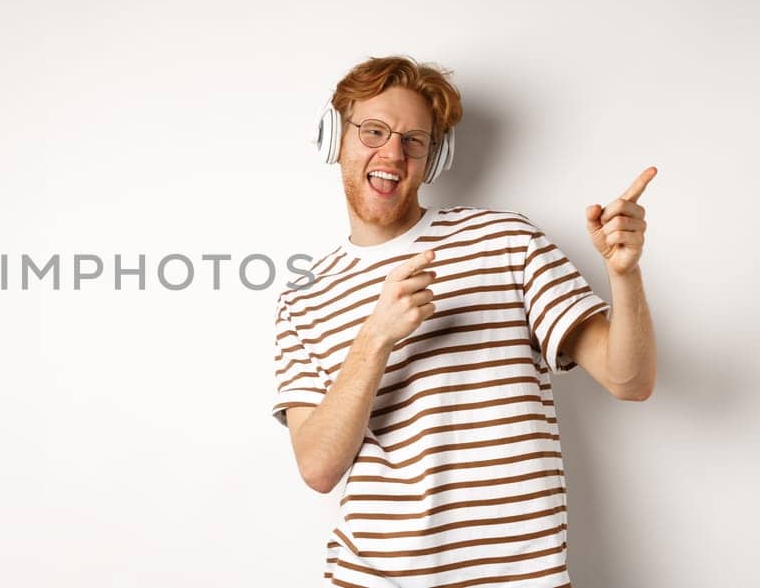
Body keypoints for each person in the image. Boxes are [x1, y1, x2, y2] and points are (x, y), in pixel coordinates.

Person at [271, 55, 657, 587]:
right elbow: (317, 467)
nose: (393, 154)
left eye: (414, 140)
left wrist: (625, 276)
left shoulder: (506, 239)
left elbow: (629, 380)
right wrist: (376, 336)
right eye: (374, 131)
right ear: (334, 137)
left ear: (434, 157)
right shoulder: (303, 299)